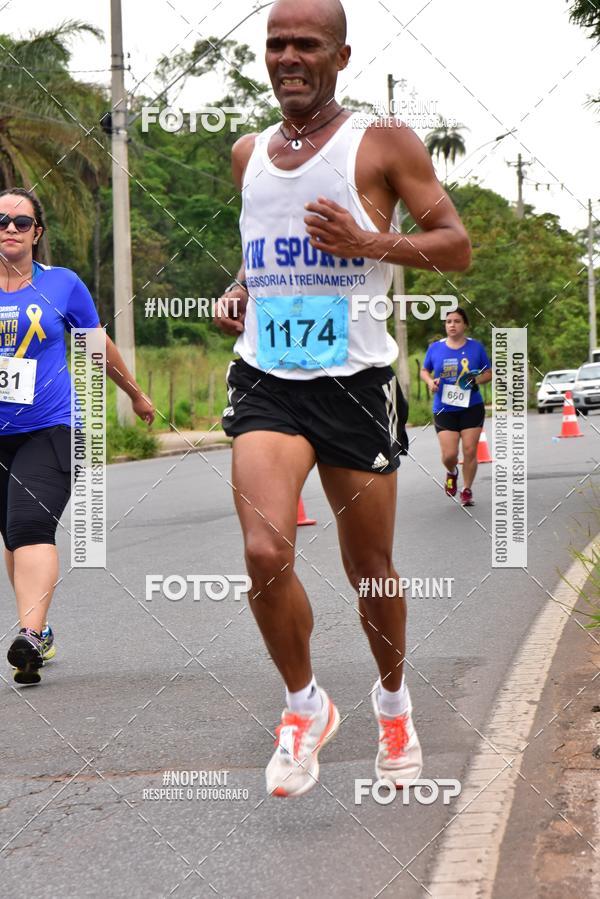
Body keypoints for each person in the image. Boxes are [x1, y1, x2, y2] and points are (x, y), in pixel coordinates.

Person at [215, 0, 471, 797]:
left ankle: (393, 702)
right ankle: (304, 705)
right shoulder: (247, 152)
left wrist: (368, 241)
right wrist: (238, 288)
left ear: (341, 55)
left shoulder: (383, 142)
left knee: (371, 570)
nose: (288, 57)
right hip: (267, 378)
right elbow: (263, 252)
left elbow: (454, 246)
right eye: (275, 44)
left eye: (306, 45)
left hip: (355, 383)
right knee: (264, 551)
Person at [0, 187, 154, 685]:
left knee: (28, 528)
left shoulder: (62, 284)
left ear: (37, 234)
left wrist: (134, 392)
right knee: (12, 536)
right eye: (0, 220)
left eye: (21, 223)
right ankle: (38, 633)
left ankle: (27, 632)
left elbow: (95, 345)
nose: (9, 229)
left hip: (53, 428)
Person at [420, 307, 492, 507]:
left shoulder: (476, 348)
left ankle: (467, 490)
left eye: (457, 321)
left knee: (470, 450)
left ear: (465, 325)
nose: (452, 325)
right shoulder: (435, 348)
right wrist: (429, 382)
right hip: (444, 408)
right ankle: (452, 472)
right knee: (450, 455)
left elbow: (489, 373)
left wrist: (476, 379)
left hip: (471, 406)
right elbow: (425, 370)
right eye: (448, 321)